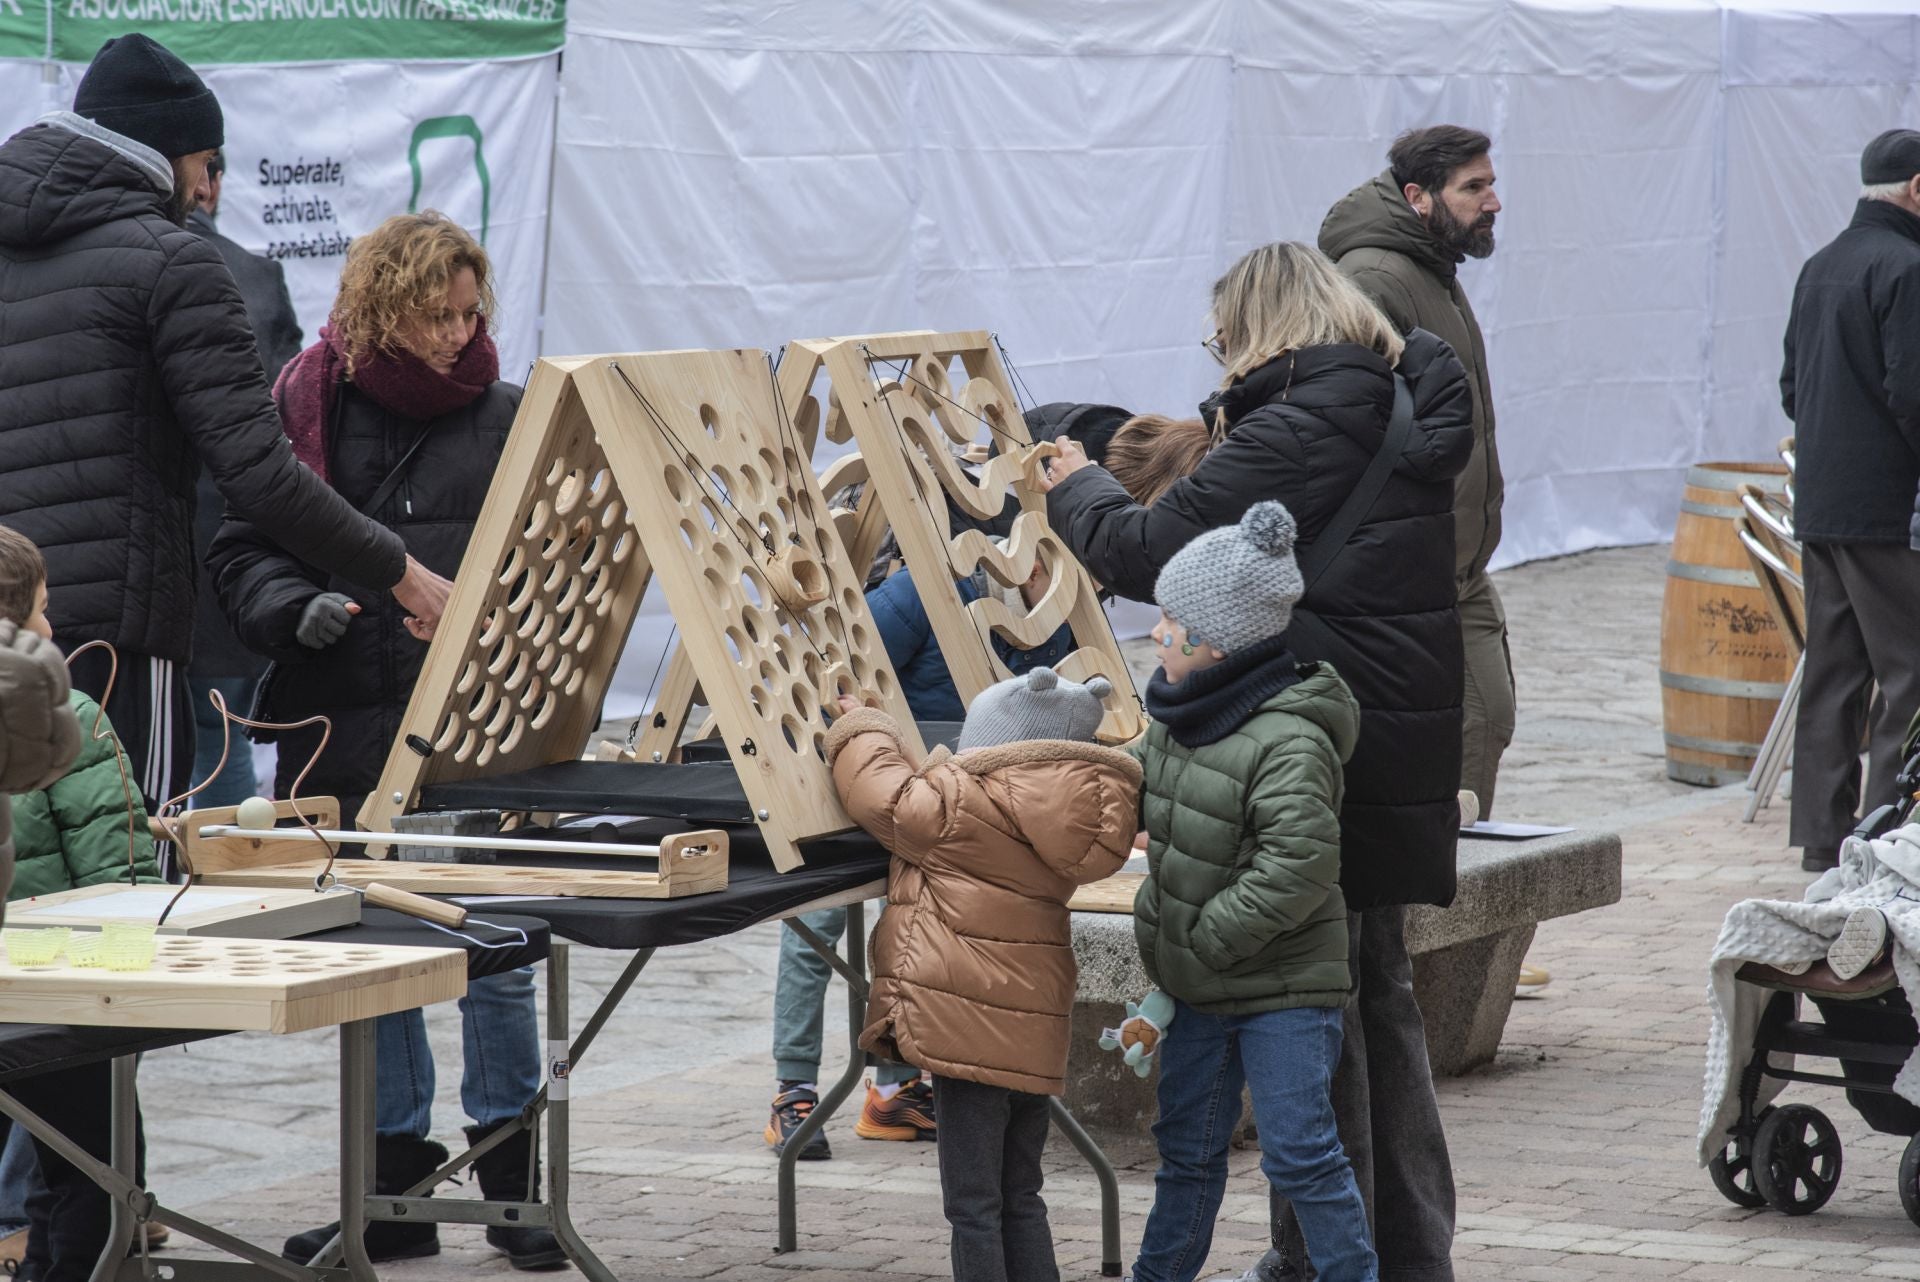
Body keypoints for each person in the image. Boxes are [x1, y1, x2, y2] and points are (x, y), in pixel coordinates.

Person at [1044, 241, 1473, 1282]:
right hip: (1389, 734)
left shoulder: (1301, 424)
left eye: (1225, 340)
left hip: (1314, 742)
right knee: (1374, 996)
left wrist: (1077, 485)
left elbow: (1149, 551)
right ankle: (1408, 1254)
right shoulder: (1389, 399)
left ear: (1262, 328)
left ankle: (1326, 1259)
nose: (1224, 360)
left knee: (1318, 1010)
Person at [207, 213, 561, 1271]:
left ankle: (513, 1189)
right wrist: (293, 608)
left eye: (470, 314)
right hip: (345, 724)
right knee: (373, 957)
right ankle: (392, 1185)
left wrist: (493, 619)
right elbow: (241, 546)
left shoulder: (508, 416)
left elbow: (558, 560)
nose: (459, 334)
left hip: (473, 729)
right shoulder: (303, 401)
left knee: (496, 955)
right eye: (436, 314)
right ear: (382, 307)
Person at [0, 33, 450, 822]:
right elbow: (261, 473)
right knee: (129, 865)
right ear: (164, 153)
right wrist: (402, 571)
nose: (209, 190)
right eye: (207, 163)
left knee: (27, 868)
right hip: (116, 643)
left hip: (15, 621)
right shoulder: (175, 262)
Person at [1128, 502, 1375, 1282]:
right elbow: (1140, 800)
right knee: (1187, 1152)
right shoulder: (1175, 717)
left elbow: (1298, 865)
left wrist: (1203, 939)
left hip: (1283, 989)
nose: (1156, 633)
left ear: (1216, 641)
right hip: (1200, 987)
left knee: (1301, 1154)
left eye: (1171, 621)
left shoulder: (1290, 737)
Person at [825, 667, 1137, 1282]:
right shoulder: (1069, 811)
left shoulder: (958, 804)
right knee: (1021, 1193)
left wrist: (861, 724)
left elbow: (881, 793)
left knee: (972, 1206)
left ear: (995, 745)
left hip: (965, 1031)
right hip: (1034, 1031)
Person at [764, 553, 1074, 1158]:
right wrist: (863, 744)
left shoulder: (1056, 614)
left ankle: (894, 1089)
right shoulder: (922, 589)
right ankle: (793, 1088)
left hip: (944, 807)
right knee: (815, 930)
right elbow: (830, 664)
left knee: (914, 942)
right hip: (859, 787)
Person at [1319, 127, 1511, 819]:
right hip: (1414, 567)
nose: (1493, 202)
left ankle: (1454, 866)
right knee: (1464, 729)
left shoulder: (1431, 265)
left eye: (1491, 184)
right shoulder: (1376, 277)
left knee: (1485, 720)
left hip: (1459, 562)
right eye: (1473, 188)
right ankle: (1442, 873)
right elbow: (1350, 425)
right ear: (1417, 196)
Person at [0, 524, 161, 1282]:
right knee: (88, 1169)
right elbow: (118, 881)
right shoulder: (71, 714)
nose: (52, 624)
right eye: (42, 608)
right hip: (57, 987)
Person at [1782, 128, 1920, 873]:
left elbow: (1791, 389)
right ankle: (1887, 839)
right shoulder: (1907, 265)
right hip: (1886, 511)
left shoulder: (1821, 264)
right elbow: (1914, 395)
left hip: (1824, 504)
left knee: (1833, 676)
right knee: (1911, 675)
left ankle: (1821, 842)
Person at [184, 148, 304, 807]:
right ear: (210, 182)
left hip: (148, 554)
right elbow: (287, 424)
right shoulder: (255, 275)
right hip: (235, 551)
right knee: (219, 735)